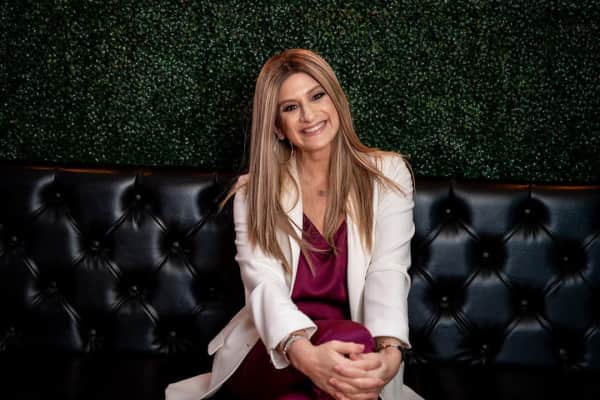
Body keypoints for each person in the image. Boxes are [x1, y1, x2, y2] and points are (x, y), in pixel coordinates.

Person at [165, 49, 423, 400]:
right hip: (275, 348)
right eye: (290, 107)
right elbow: (263, 284)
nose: (309, 115)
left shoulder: (387, 175)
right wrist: (306, 356)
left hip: (354, 351)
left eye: (317, 96)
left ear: (336, 100)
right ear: (277, 127)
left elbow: (388, 269)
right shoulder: (254, 191)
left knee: (348, 348)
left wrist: (391, 352)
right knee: (350, 343)